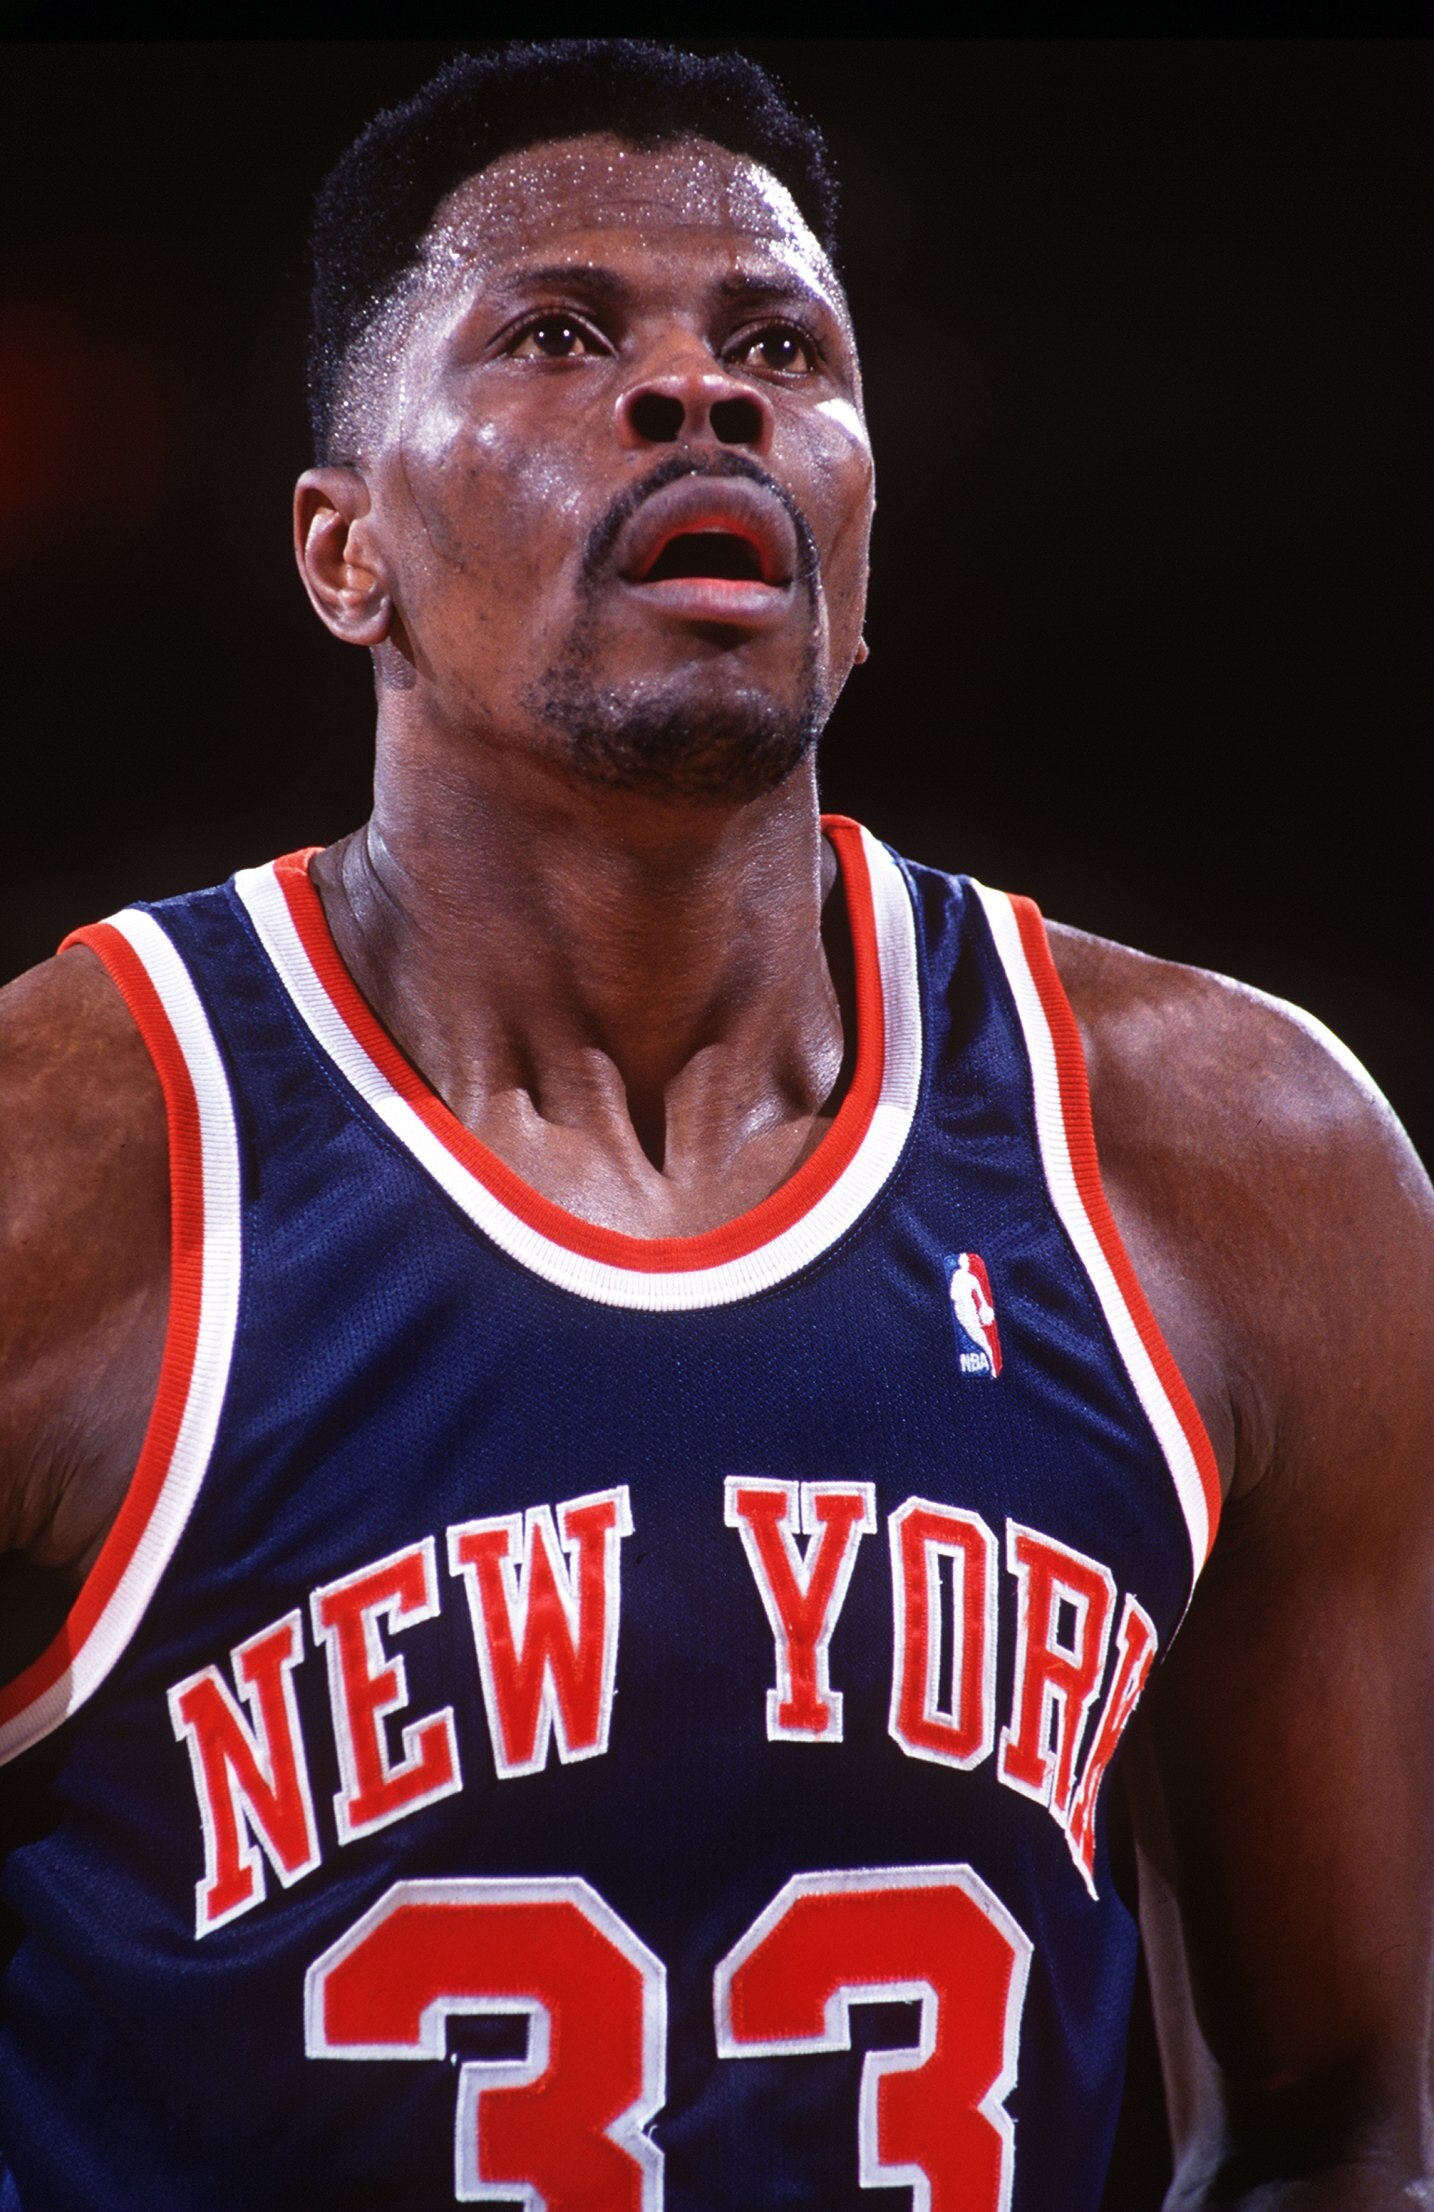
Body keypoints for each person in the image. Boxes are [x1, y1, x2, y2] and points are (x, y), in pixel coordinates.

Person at [0, 38, 1428, 2210]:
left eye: (776, 343)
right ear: (341, 549)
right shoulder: (65, 1161)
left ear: (862, 554)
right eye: (564, 334)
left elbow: (1340, 2129)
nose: (702, 393)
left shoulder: (1246, 1159)